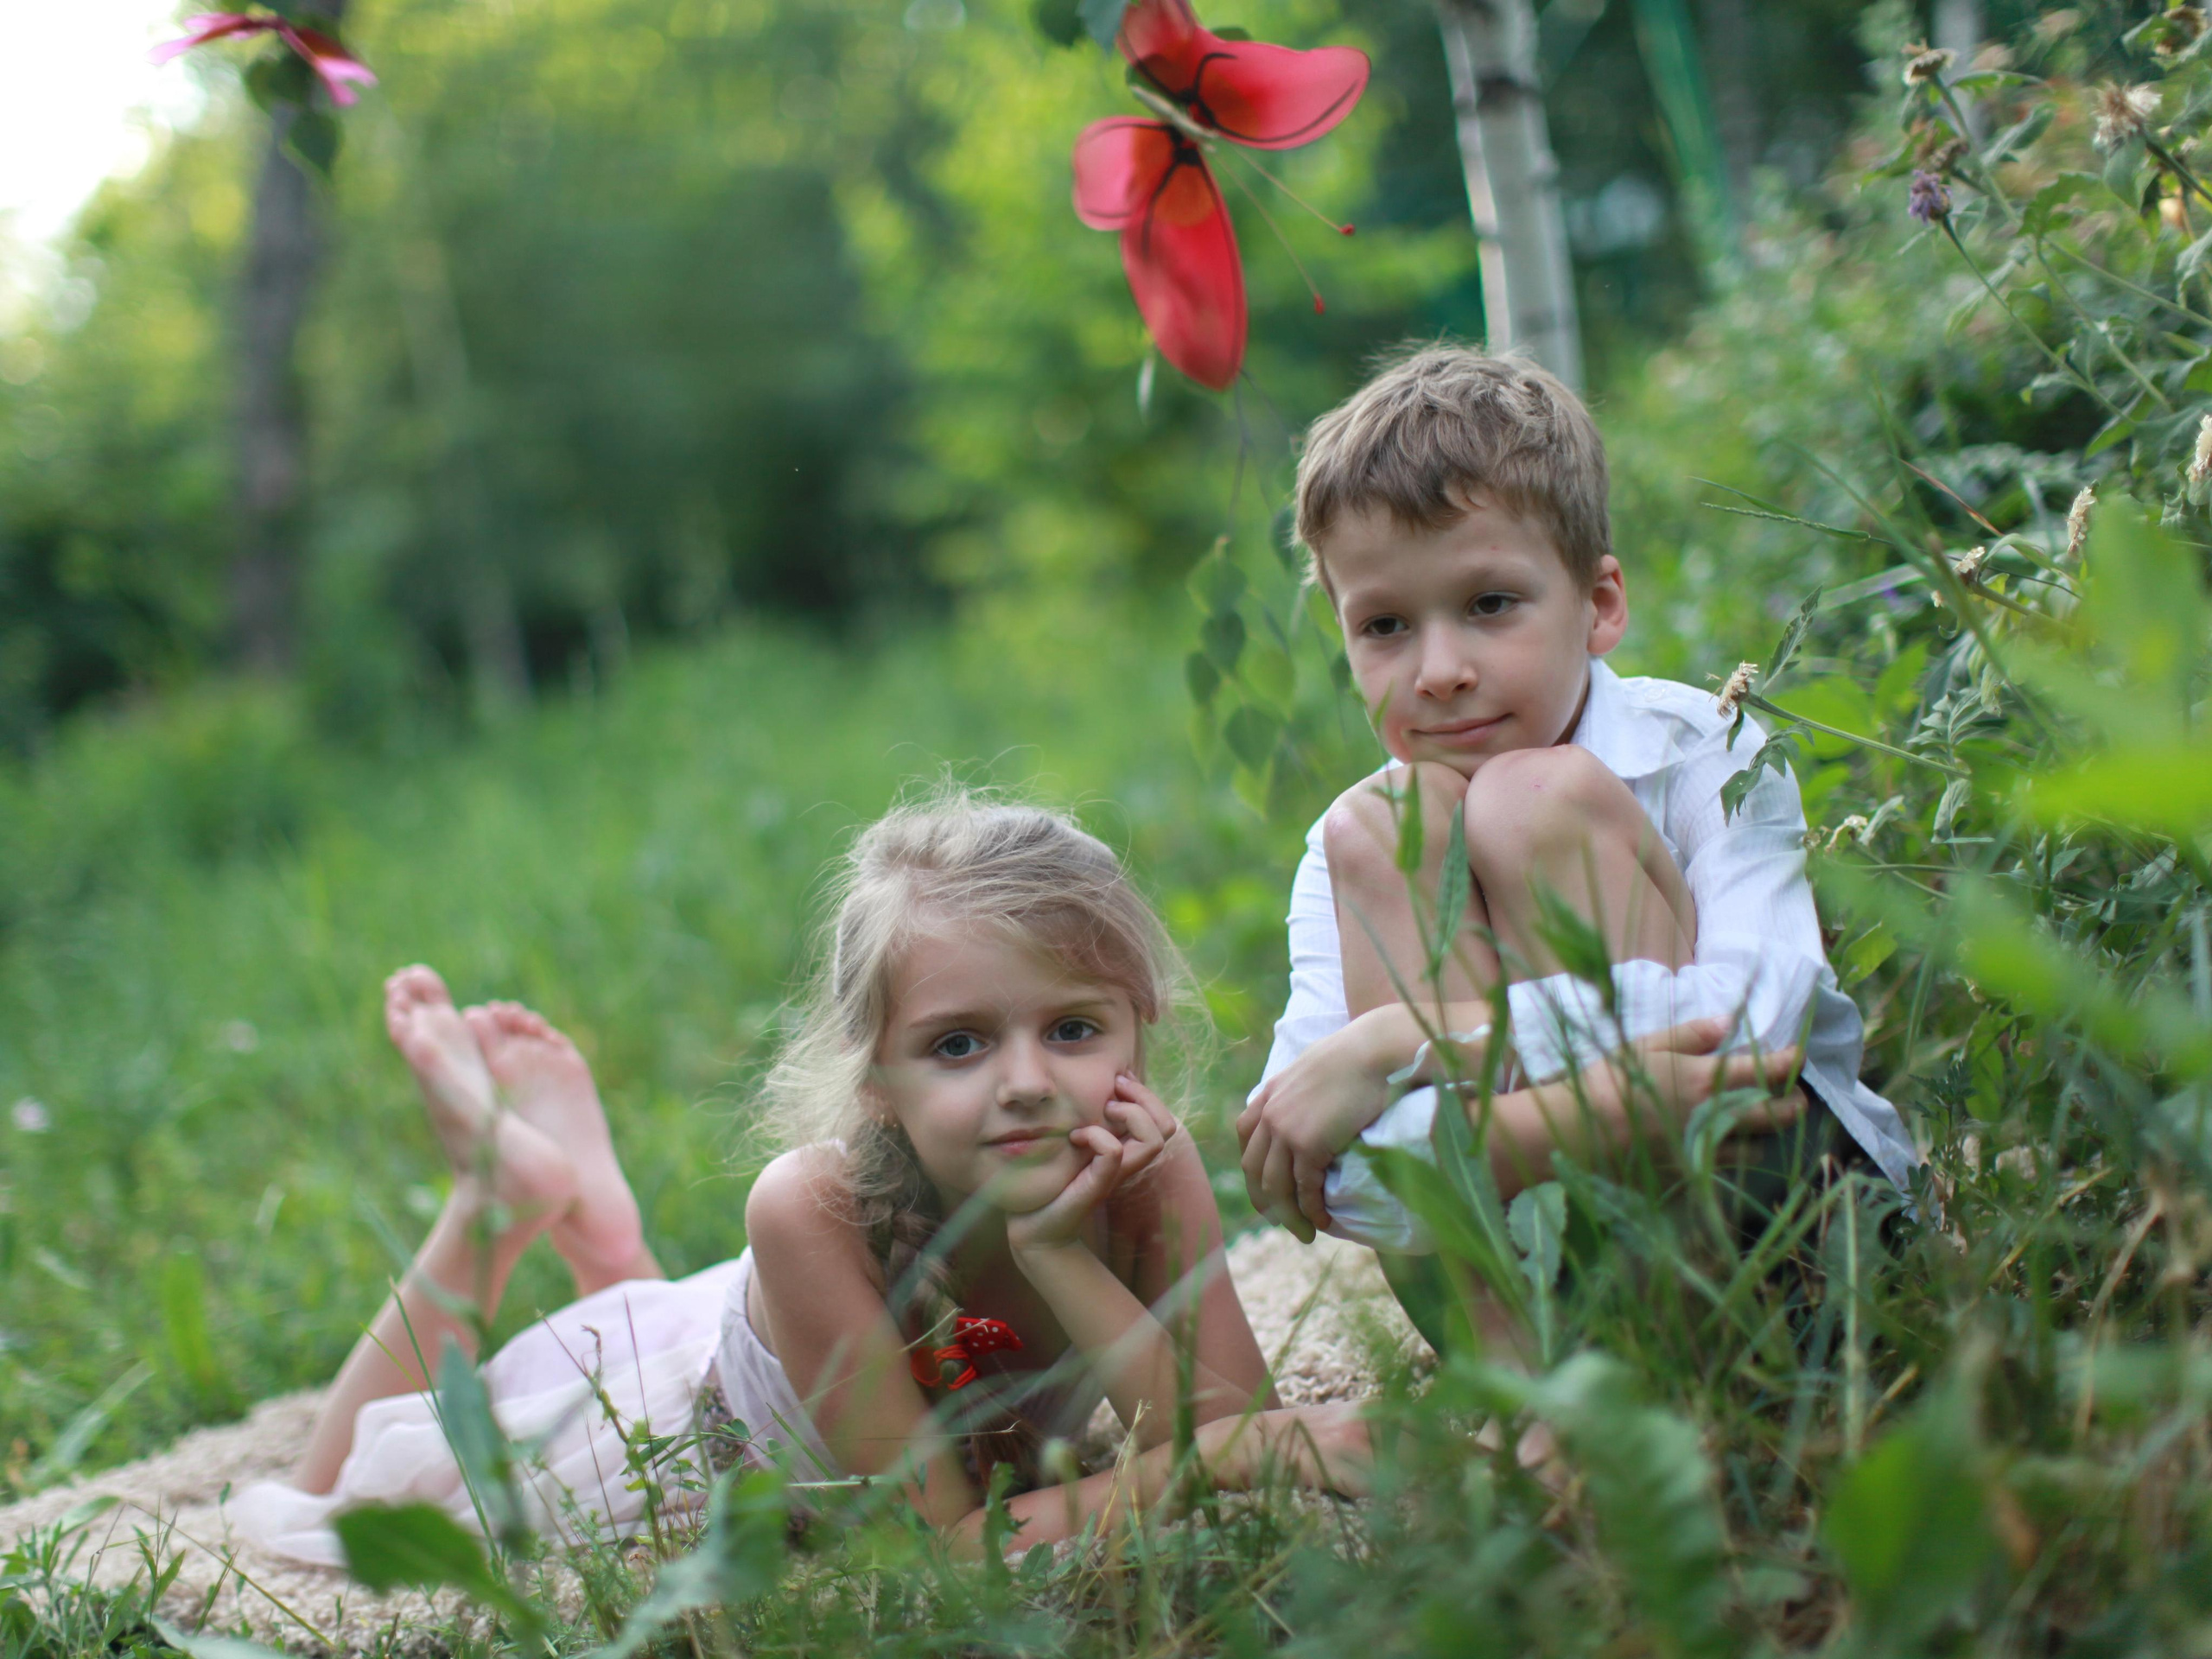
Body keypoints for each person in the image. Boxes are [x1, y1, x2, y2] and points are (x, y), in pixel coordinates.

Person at [235, 794, 1368, 1567]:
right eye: (958, 1044)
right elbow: (946, 1550)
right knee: (336, 1485)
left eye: (1073, 1029)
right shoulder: (809, 1209)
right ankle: (494, 1206)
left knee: (639, 1305)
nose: (1027, 1084)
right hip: (679, 1422)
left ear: (1139, 1026)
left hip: (783, 1337)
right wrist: (1214, 1457)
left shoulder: (1147, 1174)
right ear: (875, 1079)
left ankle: (604, 1242)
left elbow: (1241, 1441)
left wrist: (1060, 1256)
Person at [1236, 345, 1918, 1277]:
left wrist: (1410, 1041)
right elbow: (1310, 1169)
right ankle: (1551, 1358)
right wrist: (1594, 1113)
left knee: (1531, 802)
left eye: (1489, 604)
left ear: (1598, 605)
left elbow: (1752, 1031)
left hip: (1790, 1225)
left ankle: (1689, 1325)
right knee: (1388, 824)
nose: (1440, 671)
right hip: (1533, 1298)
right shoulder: (1353, 851)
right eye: (1384, 625)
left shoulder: (1698, 747)